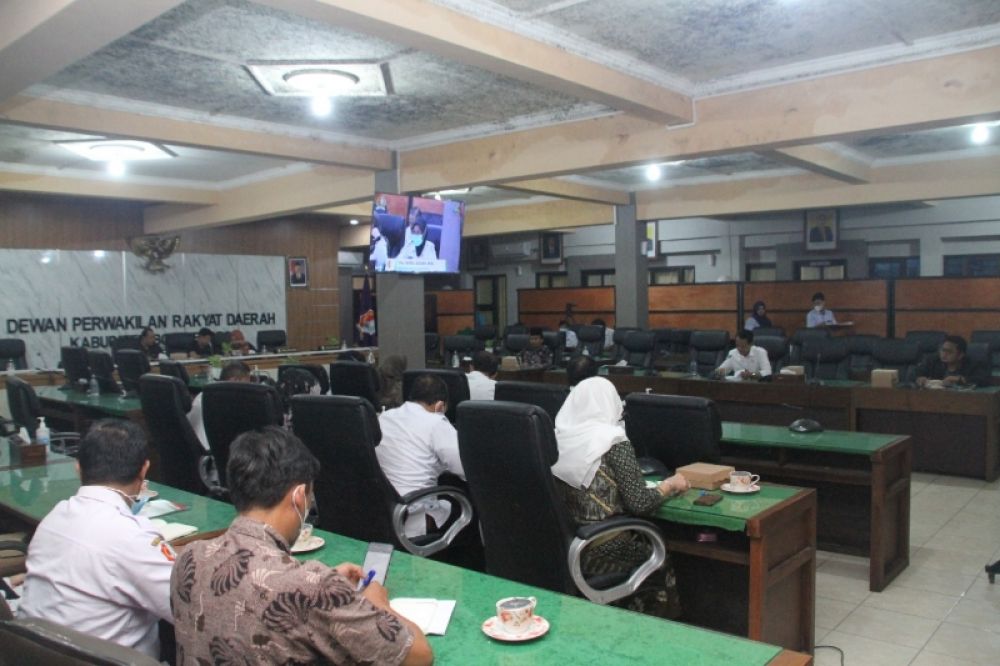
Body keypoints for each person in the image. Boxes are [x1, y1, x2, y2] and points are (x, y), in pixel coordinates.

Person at [170, 427, 432, 666]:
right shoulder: (312, 587)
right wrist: (378, 603)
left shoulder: (189, 557)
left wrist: (327, 586)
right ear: (298, 496)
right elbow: (418, 656)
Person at [19, 420, 174, 659]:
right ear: (144, 470)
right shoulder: (132, 537)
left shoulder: (54, 516)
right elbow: (187, 607)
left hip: (34, 655)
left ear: (78, 468)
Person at [552, 377, 689, 619]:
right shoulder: (612, 439)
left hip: (566, 548)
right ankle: (666, 627)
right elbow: (640, 503)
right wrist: (670, 485)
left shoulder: (557, 438)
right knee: (659, 554)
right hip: (604, 545)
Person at [376, 374, 465, 537]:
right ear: (440, 406)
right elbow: (465, 468)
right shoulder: (436, 422)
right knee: (466, 508)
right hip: (413, 513)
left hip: (384, 509)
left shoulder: (385, 416)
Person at [188, 360, 252, 452]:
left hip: (197, 452)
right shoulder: (230, 402)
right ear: (235, 380)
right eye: (247, 382)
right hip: (214, 454)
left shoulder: (202, 395)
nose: (249, 387)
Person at [915, 335, 989, 388]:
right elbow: (917, 372)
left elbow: (983, 380)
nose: (944, 354)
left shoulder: (972, 363)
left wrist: (959, 379)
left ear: (960, 355)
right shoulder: (932, 360)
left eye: (949, 352)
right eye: (943, 350)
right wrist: (920, 378)